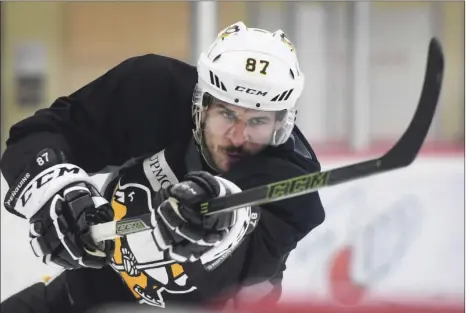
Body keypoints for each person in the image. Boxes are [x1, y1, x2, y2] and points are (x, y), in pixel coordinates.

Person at [0, 21, 325, 312]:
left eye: (258, 121)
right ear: (201, 104)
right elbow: (42, 135)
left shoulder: (293, 182)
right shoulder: (151, 93)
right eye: (227, 114)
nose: (239, 137)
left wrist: (222, 223)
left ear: (282, 124)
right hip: (84, 301)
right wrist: (58, 192)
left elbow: (236, 271)